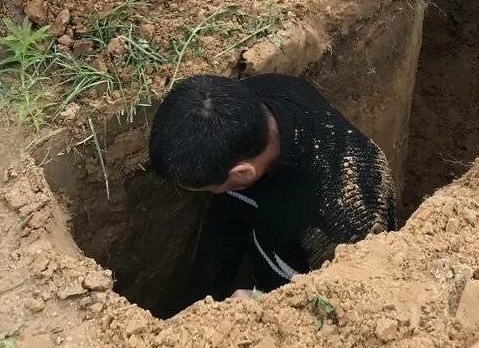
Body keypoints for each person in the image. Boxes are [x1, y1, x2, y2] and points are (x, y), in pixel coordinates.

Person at [148, 73, 395, 306]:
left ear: (243, 173)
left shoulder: (347, 211)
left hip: (296, 273)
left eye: (210, 188)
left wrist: (267, 304)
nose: (212, 193)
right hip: (257, 222)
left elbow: (349, 303)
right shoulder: (253, 100)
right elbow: (222, 224)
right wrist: (200, 302)